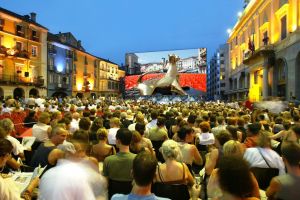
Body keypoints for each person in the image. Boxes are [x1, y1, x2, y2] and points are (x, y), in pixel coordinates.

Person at [39, 139, 107, 200]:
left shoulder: (48, 174)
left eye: (83, 151)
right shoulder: (78, 175)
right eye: (80, 151)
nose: (83, 155)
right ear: (70, 154)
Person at [103, 128, 136, 198]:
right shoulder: (137, 159)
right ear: (130, 141)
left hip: (113, 195)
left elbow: (105, 184)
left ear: (118, 141)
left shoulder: (108, 160)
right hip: (131, 196)